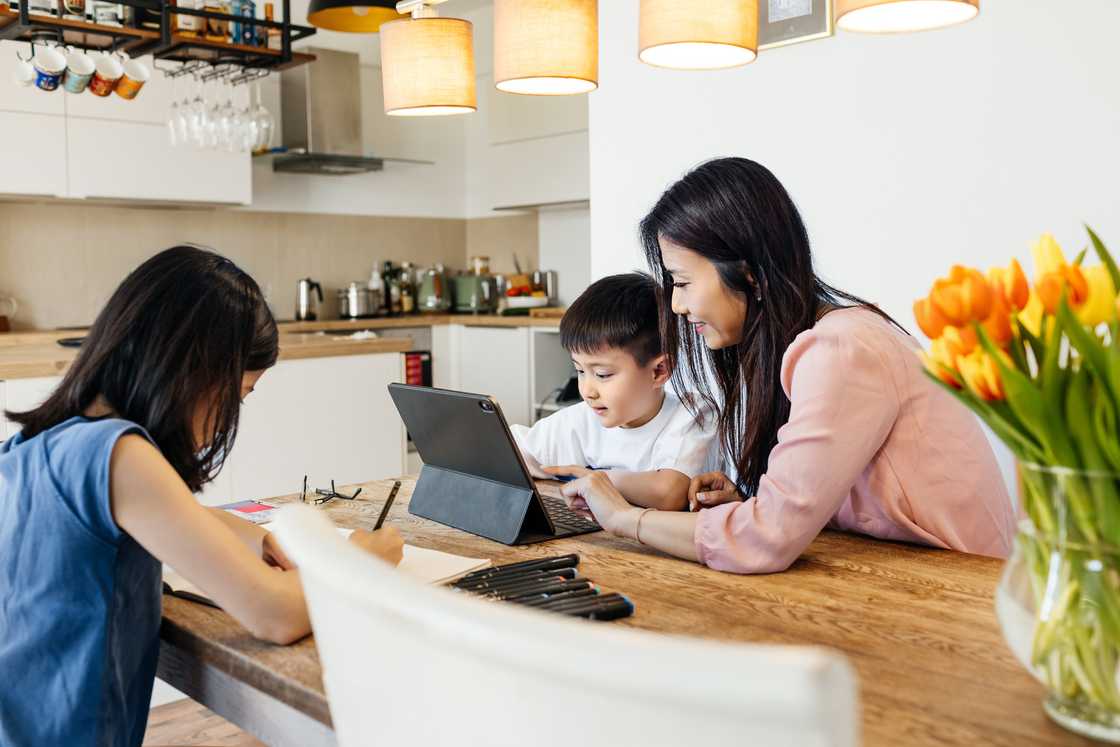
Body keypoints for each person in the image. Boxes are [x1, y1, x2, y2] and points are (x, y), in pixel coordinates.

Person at [0, 246, 404, 747]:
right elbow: (273, 616)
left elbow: (167, 514)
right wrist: (364, 562)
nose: (229, 418)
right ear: (194, 372)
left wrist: (254, 537)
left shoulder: (44, 441)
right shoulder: (121, 454)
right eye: (238, 396)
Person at [560, 158, 1015, 573]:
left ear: (749, 273)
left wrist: (624, 518)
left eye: (681, 282)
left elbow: (766, 539)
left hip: (963, 589)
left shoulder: (843, 350)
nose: (676, 305)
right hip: (904, 573)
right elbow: (801, 512)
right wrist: (749, 501)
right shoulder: (816, 343)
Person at [511, 273, 717, 511]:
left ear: (659, 371)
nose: (587, 390)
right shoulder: (581, 420)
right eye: (579, 371)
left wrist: (595, 481)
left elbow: (669, 492)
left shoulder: (693, 415)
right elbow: (512, 452)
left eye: (602, 375)